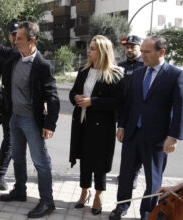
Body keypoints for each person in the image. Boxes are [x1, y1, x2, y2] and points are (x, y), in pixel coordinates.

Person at [0, 21, 60, 218]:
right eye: (15, 37)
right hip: (14, 117)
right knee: (18, 156)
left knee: (40, 161)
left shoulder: (42, 65)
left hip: (32, 120)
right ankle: (20, 191)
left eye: (20, 38)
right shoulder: (15, 55)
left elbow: (53, 97)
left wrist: (50, 124)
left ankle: (47, 201)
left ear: (32, 40)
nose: (15, 41)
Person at [110, 36, 183, 220]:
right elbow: (129, 103)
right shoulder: (138, 73)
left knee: (153, 181)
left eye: (146, 52)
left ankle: (147, 212)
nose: (141, 55)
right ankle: (121, 206)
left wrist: (173, 136)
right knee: (125, 175)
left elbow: (180, 108)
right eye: (141, 51)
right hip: (132, 134)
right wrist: (122, 126)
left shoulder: (175, 74)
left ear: (161, 52)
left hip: (158, 138)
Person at [69, 35, 124, 215]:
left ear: (101, 52)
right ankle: (84, 191)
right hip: (82, 123)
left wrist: (93, 102)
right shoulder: (84, 70)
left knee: (99, 162)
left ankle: (99, 195)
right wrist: (75, 97)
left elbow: (117, 101)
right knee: (84, 160)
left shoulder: (115, 74)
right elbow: (74, 92)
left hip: (102, 127)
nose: (88, 51)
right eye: (89, 47)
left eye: (92, 48)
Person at [0, 22, 18, 191]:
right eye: (13, 34)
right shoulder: (2, 56)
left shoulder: (27, 55)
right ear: (9, 37)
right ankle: (0, 174)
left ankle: (18, 178)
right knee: (10, 140)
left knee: (18, 142)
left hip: (26, 107)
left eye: (18, 34)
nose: (16, 37)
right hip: (7, 106)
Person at [117, 35, 144, 189]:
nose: (129, 49)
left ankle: (133, 174)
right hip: (123, 113)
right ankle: (126, 172)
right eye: (127, 47)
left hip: (139, 114)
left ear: (139, 48)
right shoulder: (120, 66)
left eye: (133, 47)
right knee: (126, 145)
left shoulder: (144, 65)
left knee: (138, 145)